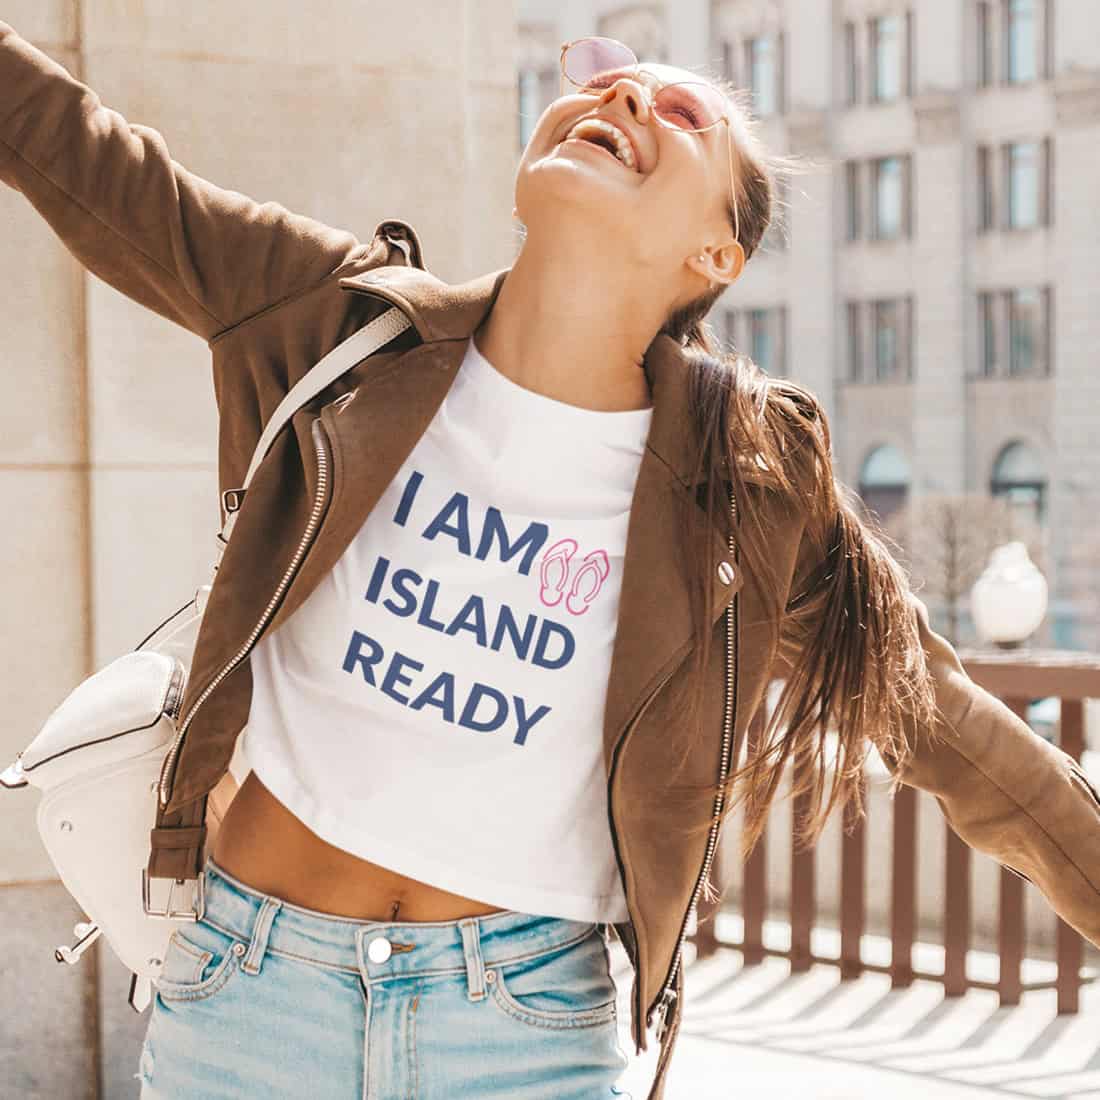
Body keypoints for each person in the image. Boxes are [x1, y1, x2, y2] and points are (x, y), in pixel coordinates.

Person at [3, 22, 1099, 1100]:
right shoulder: (335, 321)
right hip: (248, 996)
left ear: (715, 253)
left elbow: (958, 736)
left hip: (522, 1029)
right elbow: (76, 148)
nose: (619, 98)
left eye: (677, 111)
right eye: (604, 80)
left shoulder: (744, 492)